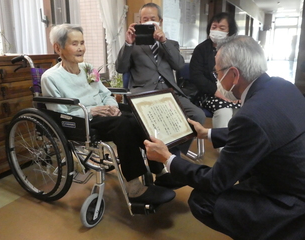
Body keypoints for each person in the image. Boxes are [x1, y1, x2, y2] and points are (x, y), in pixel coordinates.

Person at [143, 35, 305, 239]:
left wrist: (167, 158)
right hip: (294, 177)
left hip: (293, 202)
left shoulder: (250, 116)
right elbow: (261, 131)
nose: (216, 78)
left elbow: (215, 181)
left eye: (217, 71)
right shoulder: (282, 86)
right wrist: (207, 133)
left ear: (234, 74)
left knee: (202, 201)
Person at [40, 23, 180, 205]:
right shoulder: (50, 77)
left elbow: (105, 93)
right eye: (75, 44)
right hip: (81, 121)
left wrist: (112, 106)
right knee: (124, 125)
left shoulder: (88, 68)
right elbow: (60, 112)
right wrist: (92, 111)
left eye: (82, 42)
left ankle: (159, 172)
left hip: (104, 114)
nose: (81, 48)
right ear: (58, 48)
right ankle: (134, 187)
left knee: (138, 118)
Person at [115, 2, 206, 153]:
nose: (149, 22)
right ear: (140, 22)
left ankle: (173, 151)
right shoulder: (133, 45)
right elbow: (120, 68)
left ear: (160, 22)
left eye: (153, 18)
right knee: (155, 122)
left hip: (169, 91)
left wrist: (163, 42)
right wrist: (128, 44)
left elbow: (178, 65)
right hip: (145, 93)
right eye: (145, 19)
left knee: (198, 115)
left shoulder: (171, 44)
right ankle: (162, 154)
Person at [190, 12, 240, 130]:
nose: (217, 30)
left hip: (232, 93)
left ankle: (237, 145)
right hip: (207, 93)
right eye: (214, 27)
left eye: (222, 28)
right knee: (225, 110)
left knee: (242, 109)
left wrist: (239, 94)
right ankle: (222, 147)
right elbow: (196, 76)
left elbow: (241, 74)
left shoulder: (236, 50)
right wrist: (218, 93)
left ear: (230, 31)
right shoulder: (201, 49)